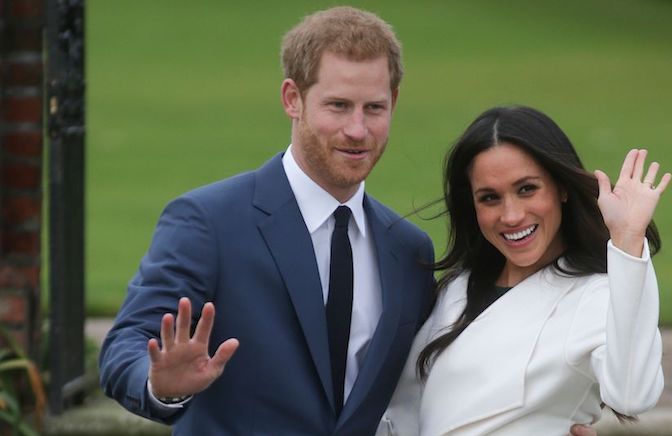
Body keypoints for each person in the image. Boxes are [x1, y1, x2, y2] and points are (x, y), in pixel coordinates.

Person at [99, 6, 599, 436]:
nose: (357, 130)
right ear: (292, 98)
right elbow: (125, 345)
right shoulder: (209, 221)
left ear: (394, 104)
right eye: (338, 106)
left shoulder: (409, 250)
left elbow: (441, 380)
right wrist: (157, 384)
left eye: (374, 108)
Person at [379, 106, 670, 435]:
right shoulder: (457, 288)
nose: (511, 215)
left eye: (527, 189)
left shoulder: (595, 295)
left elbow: (632, 395)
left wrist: (628, 242)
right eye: (489, 198)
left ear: (561, 187)